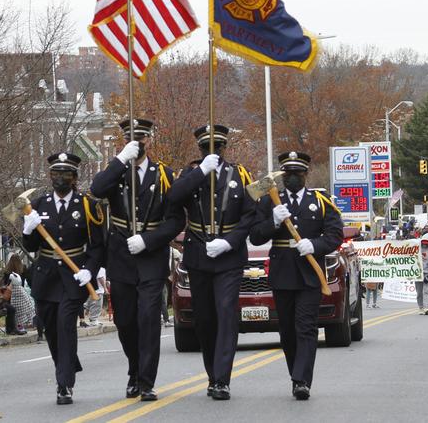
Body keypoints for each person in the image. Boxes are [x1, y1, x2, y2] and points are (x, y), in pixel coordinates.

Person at [89, 117, 179, 402]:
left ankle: (146, 380)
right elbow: (96, 189)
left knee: (149, 318)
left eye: (142, 139)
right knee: (126, 321)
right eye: (131, 138)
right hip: (121, 255)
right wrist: (119, 160)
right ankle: (134, 368)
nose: (137, 143)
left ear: (150, 140)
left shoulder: (163, 174)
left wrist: (149, 240)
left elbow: (176, 220)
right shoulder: (115, 172)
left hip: (151, 256)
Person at [167, 124, 257, 401]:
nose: (213, 152)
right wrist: (201, 171)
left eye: (217, 148)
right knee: (205, 319)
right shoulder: (191, 174)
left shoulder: (240, 174)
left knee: (226, 312)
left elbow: (251, 214)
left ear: (224, 148)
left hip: (228, 255)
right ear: (200, 150)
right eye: (207, 148)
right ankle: (212, 373)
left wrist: (230, 241)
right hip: (198, 253)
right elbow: (172, 197)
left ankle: (222, 379)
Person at [249, 151, 343, 401]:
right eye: (288, 174)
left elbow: (335, 235)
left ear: (305, 174)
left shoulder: (320, 201)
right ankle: (296, 374)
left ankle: (302, 380)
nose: (292, 178)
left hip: (310, 274)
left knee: (306, 328)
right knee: (288, 331)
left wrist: (315, 245)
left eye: (297, 173)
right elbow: (256, 236)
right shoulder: (271, 201)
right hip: (283, 273)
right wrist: (274, 222)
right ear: (282, 176)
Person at [22, 151, 105, 405]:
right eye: (56, 174)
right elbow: (31, 246)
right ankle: (67, 366)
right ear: (50, 177)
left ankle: (64, 384)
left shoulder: (88, 205)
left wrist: (90, 269)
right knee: (51, 329)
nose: (60, 179)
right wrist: (28, 228)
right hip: (46, 276)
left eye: (66, 174)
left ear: (74, 177)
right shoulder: (37, 205)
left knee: (66, 325)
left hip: (74, 275)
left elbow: (98, 244)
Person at [416, 234, 428, 314]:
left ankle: (426, 307)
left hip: (426, 273)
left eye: (426, 243)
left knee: (426, 291)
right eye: (423, 243)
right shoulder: (416, 247)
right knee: (419, 292)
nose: (425, 244)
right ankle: (420, 307)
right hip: (417, 273)